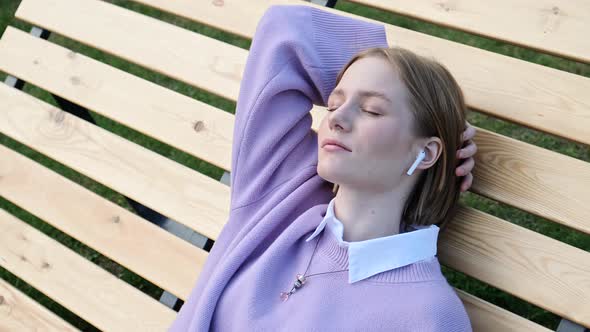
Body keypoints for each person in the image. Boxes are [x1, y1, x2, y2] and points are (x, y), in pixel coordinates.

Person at [169, 4, 476, 331]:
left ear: (427, 152)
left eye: (372, 110)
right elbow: (285, 29)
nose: (336, 118)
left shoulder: (428, 316)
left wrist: (434, 114)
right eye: (333, 102)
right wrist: (428, 106)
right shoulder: (278, 199)